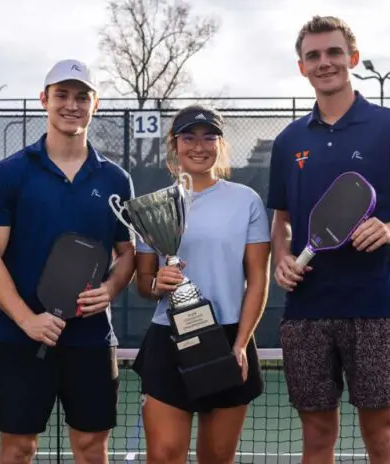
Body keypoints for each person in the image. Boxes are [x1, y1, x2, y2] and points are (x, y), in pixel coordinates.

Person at [267, 15, 390, 464]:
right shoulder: (288, 141)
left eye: (334, 52)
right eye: (313, 56)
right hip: (306, 310)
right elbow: (281, 220)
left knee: (381, 434)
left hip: (375, 307)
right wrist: (282, 257)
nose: (325, 63)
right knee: (317, 436)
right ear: (302, 66)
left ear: (353, 59)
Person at [0, 59, 136, 464]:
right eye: (61, 95)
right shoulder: (11, 172)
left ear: (94, 104)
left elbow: (127, 252)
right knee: (18, 448)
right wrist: (28, 320)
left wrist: (111, 288)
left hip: (92, 341)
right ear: (44, 99)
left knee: (91, 447)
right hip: (22, 340)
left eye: (82, 96)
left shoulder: (116, 179)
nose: (71, 104)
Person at [132, 104, 271, 464]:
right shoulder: (155, 207)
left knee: (217, 458)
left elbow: (258, 279)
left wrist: (240, 345)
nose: (199, 146)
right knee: (163, 456)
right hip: (169, 337)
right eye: (189, 137)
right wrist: (157, 284)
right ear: (174, 145)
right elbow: (143, 283)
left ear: (220, 145)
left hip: (226, 340)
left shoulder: (246, 201)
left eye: (209, 137)